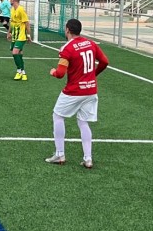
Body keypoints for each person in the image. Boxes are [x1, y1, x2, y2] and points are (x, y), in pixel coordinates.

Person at [47, 18, 109, 169]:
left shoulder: (67, 49)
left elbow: (61, 73)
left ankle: (60, 154)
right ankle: (88, 158)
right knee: (83, 121)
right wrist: (93, 75)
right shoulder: (91, 44)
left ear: (67, 30)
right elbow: (105, 61)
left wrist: (54, 72)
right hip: (91, 90)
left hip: (74, 90)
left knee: (58, 115)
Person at [9, 0, 29, 81]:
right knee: (19, 53)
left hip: (21, 35)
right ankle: (23, 72)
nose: (9, 0)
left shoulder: (21, 10)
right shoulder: (12, 9)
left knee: (15, 52)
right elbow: (11, 22)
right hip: (15, 35)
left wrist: (28, 35)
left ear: (13, 0)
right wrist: (9, 32)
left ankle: (19, 71)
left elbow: (27, 23)